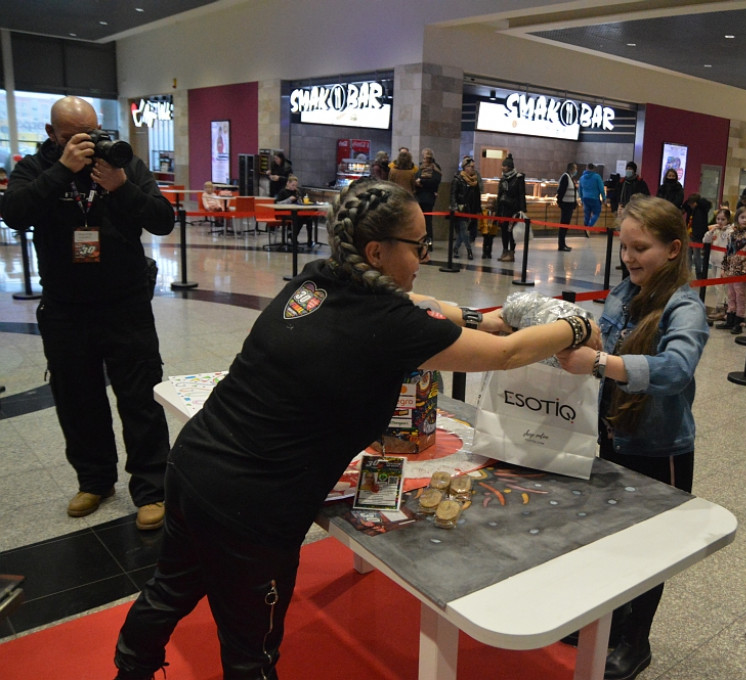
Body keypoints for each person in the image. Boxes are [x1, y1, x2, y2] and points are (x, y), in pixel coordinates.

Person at [112, 179, 601, 680]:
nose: (423, 259)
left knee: (169, 588)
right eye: (418, 247)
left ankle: (130, 670)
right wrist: (578, 325)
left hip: (196, 464)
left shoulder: (318, 279)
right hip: (253, 505)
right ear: (376, 250)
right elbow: (508, 355)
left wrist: (478, 316)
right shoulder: (389, 326)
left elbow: (422, 303)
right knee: (250, 650)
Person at [0, 95, 174, 531]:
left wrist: (120, 185)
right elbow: (15, 214)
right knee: (78, 400)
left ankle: (152, 488)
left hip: (126, 303)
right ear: (52, 135)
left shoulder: (120, 163)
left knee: (140, 399)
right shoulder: (37, 167)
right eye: (71, 135)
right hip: (65, 308)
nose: (86, 141)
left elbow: (162, 220)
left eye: (92, 131)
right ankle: (95, 481)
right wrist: (63, 171)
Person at [557, 194, 708, 680]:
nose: (628, 257)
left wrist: (601, 363)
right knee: (607, 535)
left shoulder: (686, 307)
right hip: (614, 437)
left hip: (659, 449)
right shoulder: (624, 292)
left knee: (649, 550)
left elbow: (676, 370)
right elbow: (600, 334)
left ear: (673, 249)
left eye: (640, 248)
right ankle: (608, 618)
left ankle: (634, 640)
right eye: (624, 247)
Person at [715, 205, 746, 334]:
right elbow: (728, 252)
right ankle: (730, 318)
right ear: (737, 218)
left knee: (740, 296)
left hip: (743, 270)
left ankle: (739, 321)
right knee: (731, 295)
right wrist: (724, 267)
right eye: (742, 217)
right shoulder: (733, 234)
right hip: (731, 269)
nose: (745, 220)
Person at [701, 207, 732, 322]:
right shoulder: (715, 230)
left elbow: (731, 245)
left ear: (728, 220)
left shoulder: (730, 232)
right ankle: (721, 307)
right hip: (714, 261)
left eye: (723, 219)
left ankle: (721, 308)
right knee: (716, 286)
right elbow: (705, 240)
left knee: (720, 287)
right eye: (718, 219)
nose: (719, 222)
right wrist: (711, 232)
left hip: (724, 263)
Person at [495, 154, 527, 262]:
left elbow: (521, 194)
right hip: (504, 209)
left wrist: (522, 209)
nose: (503, 168)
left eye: (505, 166)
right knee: (504, 231)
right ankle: (505, 251)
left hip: (513, 209)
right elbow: (499, 195)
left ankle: (511, 253)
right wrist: (497, 210)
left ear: (510, 167)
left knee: (512, 232)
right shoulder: (503, 179)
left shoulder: (518, 178)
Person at [449, 156, 482, 259]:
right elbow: (453, 194)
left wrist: (478, 209)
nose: (472, 168)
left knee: (464, 231)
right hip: (460, 208)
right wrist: (454, 207)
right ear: (465, 167)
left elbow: (477, 196)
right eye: (470, 166)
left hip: (471, 208)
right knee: (463, 230)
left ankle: (456, 248)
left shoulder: (475, 180)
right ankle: (469, 251)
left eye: (473, 166)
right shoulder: (458, 179)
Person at [274, 175, 315, 247]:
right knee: (299, 218)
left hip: (296, 211)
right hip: (285, 212)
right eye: (293, 185)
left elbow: (300, 202)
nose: (294, 187)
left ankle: (309, 240)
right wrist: (289, 199)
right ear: (288, 183)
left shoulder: (296, 192)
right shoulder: (282, 192)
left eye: (295, 185)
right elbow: (278, 204)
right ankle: (293, 236)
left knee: (309, 218)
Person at [413, 148, 442, 246]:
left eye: (426, 157)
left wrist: (421, 182)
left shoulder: (435, 168)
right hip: (419, 196)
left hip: (428, 197)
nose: (424, 160)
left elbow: (434, 182)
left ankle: (429, 240)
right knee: (419, 220)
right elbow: (415, 177)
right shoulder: (420, 167)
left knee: (427, 220)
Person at [555, 161, 578, 251]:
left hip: (569, 205)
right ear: (571, 169)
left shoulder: (570, 177)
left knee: (566, 225)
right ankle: (561, 245)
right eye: (575, 168)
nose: (576, 170)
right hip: (566, 205)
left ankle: (563, 244)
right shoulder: (566, 177)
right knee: (564, 225)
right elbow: (561, 191)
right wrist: (560, 203)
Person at [579, 163, 606, 228]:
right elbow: (601, 189)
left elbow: (580, 190)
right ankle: (589, 226)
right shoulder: (597, 177)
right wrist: (604, 198)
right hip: (595, 198)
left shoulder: (582, 178)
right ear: (593, 169)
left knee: (587, 215)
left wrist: (582, 199)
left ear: (586, 168)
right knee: (596, 213)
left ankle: (585, 228)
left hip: (585, 198)